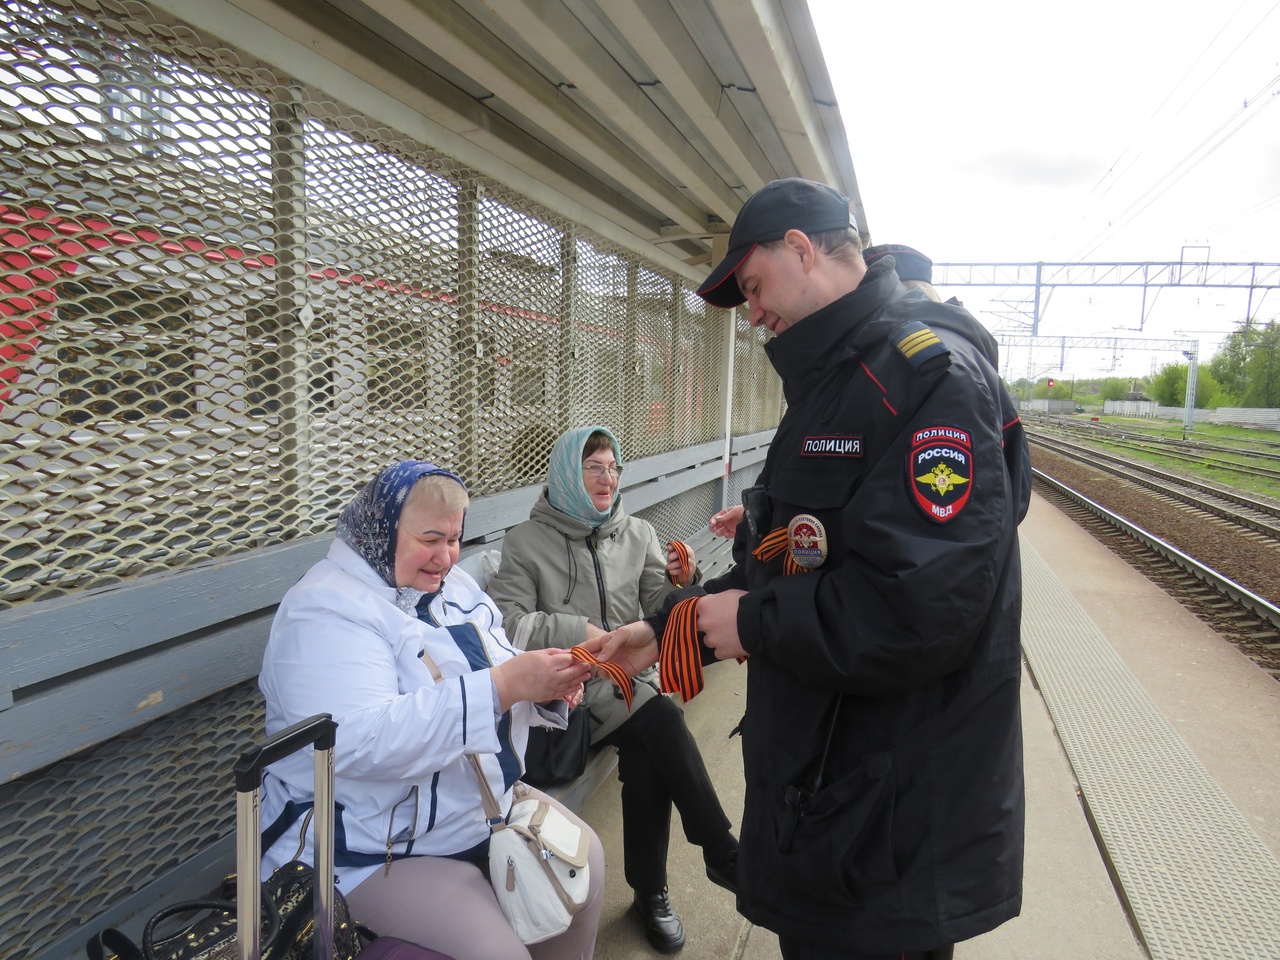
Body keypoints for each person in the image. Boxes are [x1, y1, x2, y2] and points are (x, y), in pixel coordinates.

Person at [589, 178, 1033, 960]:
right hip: (834, 802)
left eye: (754, 286)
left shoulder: (927, 382)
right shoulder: (839, 385)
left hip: (889, 822)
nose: (753, 313)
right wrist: (667, 626)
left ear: (801, 249)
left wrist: (751, 623)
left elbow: (919, 609)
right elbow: (794, 557)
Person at [257, 460, 604, 960]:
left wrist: (545, 688)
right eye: (430, 538)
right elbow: (358, 742)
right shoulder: (323, 609)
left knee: (585, 865)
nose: (446, 557)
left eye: (455, 539)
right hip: (367, 845)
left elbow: (504, 663)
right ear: (382, 529)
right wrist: (503, 689)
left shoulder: (453, 587)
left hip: (476, 808)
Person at [487, 426, 739, 955]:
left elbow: (656, 607)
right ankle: (713, 852)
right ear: (566, 475)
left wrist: (679, 582)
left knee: (649, 750)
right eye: (594, 466)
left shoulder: (638, 533)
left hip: (627, 686)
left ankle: (654, 892)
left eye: (614, 466)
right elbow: (507, 625)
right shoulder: (526, 542)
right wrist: (578, 631)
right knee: (662, 721)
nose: (608, 478)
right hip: (565, 692)